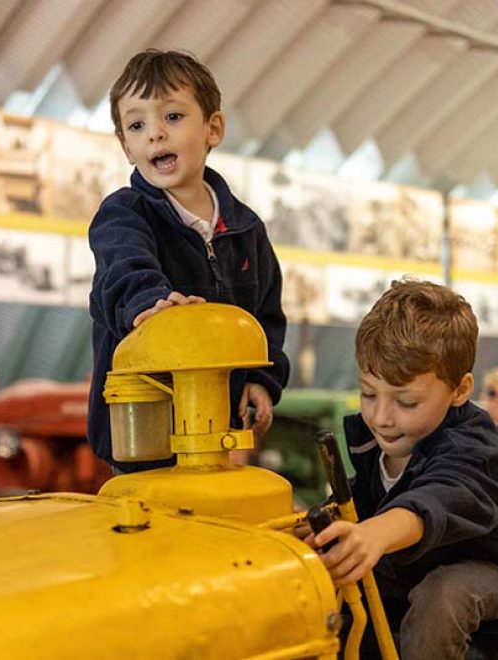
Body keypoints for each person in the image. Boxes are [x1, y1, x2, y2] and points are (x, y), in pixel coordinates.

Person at [306, 280, 498, 659]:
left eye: (407, 401)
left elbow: (438, 499)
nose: (381, 417)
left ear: (459, 391)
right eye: (368, 393)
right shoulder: (373, 441)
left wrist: (374, 534)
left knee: (443, 595)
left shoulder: (473, 449)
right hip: (420, 563)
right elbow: (362, 498)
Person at [87, 49, 289, 473]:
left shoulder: (246, 231)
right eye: (137, 125)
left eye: (173, 118)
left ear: (213, 128)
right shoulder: (124, 214)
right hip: (142, 436)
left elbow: (265, 317)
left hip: (214, 433)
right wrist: (151, 305)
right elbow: (123, 270)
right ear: (126, 147)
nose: (155, 134)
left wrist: (260, 379)